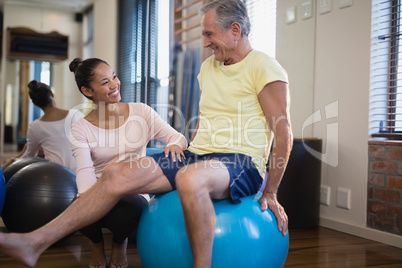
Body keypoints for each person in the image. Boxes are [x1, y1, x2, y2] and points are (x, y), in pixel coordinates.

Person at [0, 1, 293, 267]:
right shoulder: (209, 68)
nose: (204, 44)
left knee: (190, 178)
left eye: (209, 35)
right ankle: (34, 242)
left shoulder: (264, 67)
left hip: (240, 162)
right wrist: (187, 149)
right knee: (114, 173)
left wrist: (271, 191)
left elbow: (284, 132)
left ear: (235, 30)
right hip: (198, 155)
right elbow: (205, 120)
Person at [69, 57, 187, 268]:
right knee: (75, 208)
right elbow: (85, 170)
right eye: (105, 83)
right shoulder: (81, 127)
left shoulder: (141, 112)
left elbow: (178, 137)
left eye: (114, 76)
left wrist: (175, 145)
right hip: (99, 189)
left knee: (126, 211)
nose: (115, 84)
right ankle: (96, 244)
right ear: (88, 91)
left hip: (132, 191)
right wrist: (88, 201)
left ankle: (119, 242)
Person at [2, 80, 82, 172]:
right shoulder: (75, 114)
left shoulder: (35, 126)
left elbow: (28, 156)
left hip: (56, 174)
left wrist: (15, 158)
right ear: (52, 94)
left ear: (34, 103)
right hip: (80, 171)